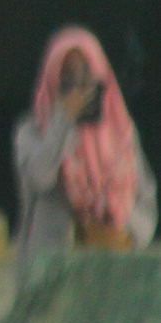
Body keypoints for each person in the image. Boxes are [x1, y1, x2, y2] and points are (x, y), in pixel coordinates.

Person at [13, 27, 156, 286]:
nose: (78, 91)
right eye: (68, 80)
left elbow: (146, 197)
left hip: (113, 271)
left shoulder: (122, 134)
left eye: (85, 79)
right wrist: (62, 122)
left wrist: (129, 234)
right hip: (52, 275)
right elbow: (40, 180)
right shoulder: (32, 132)